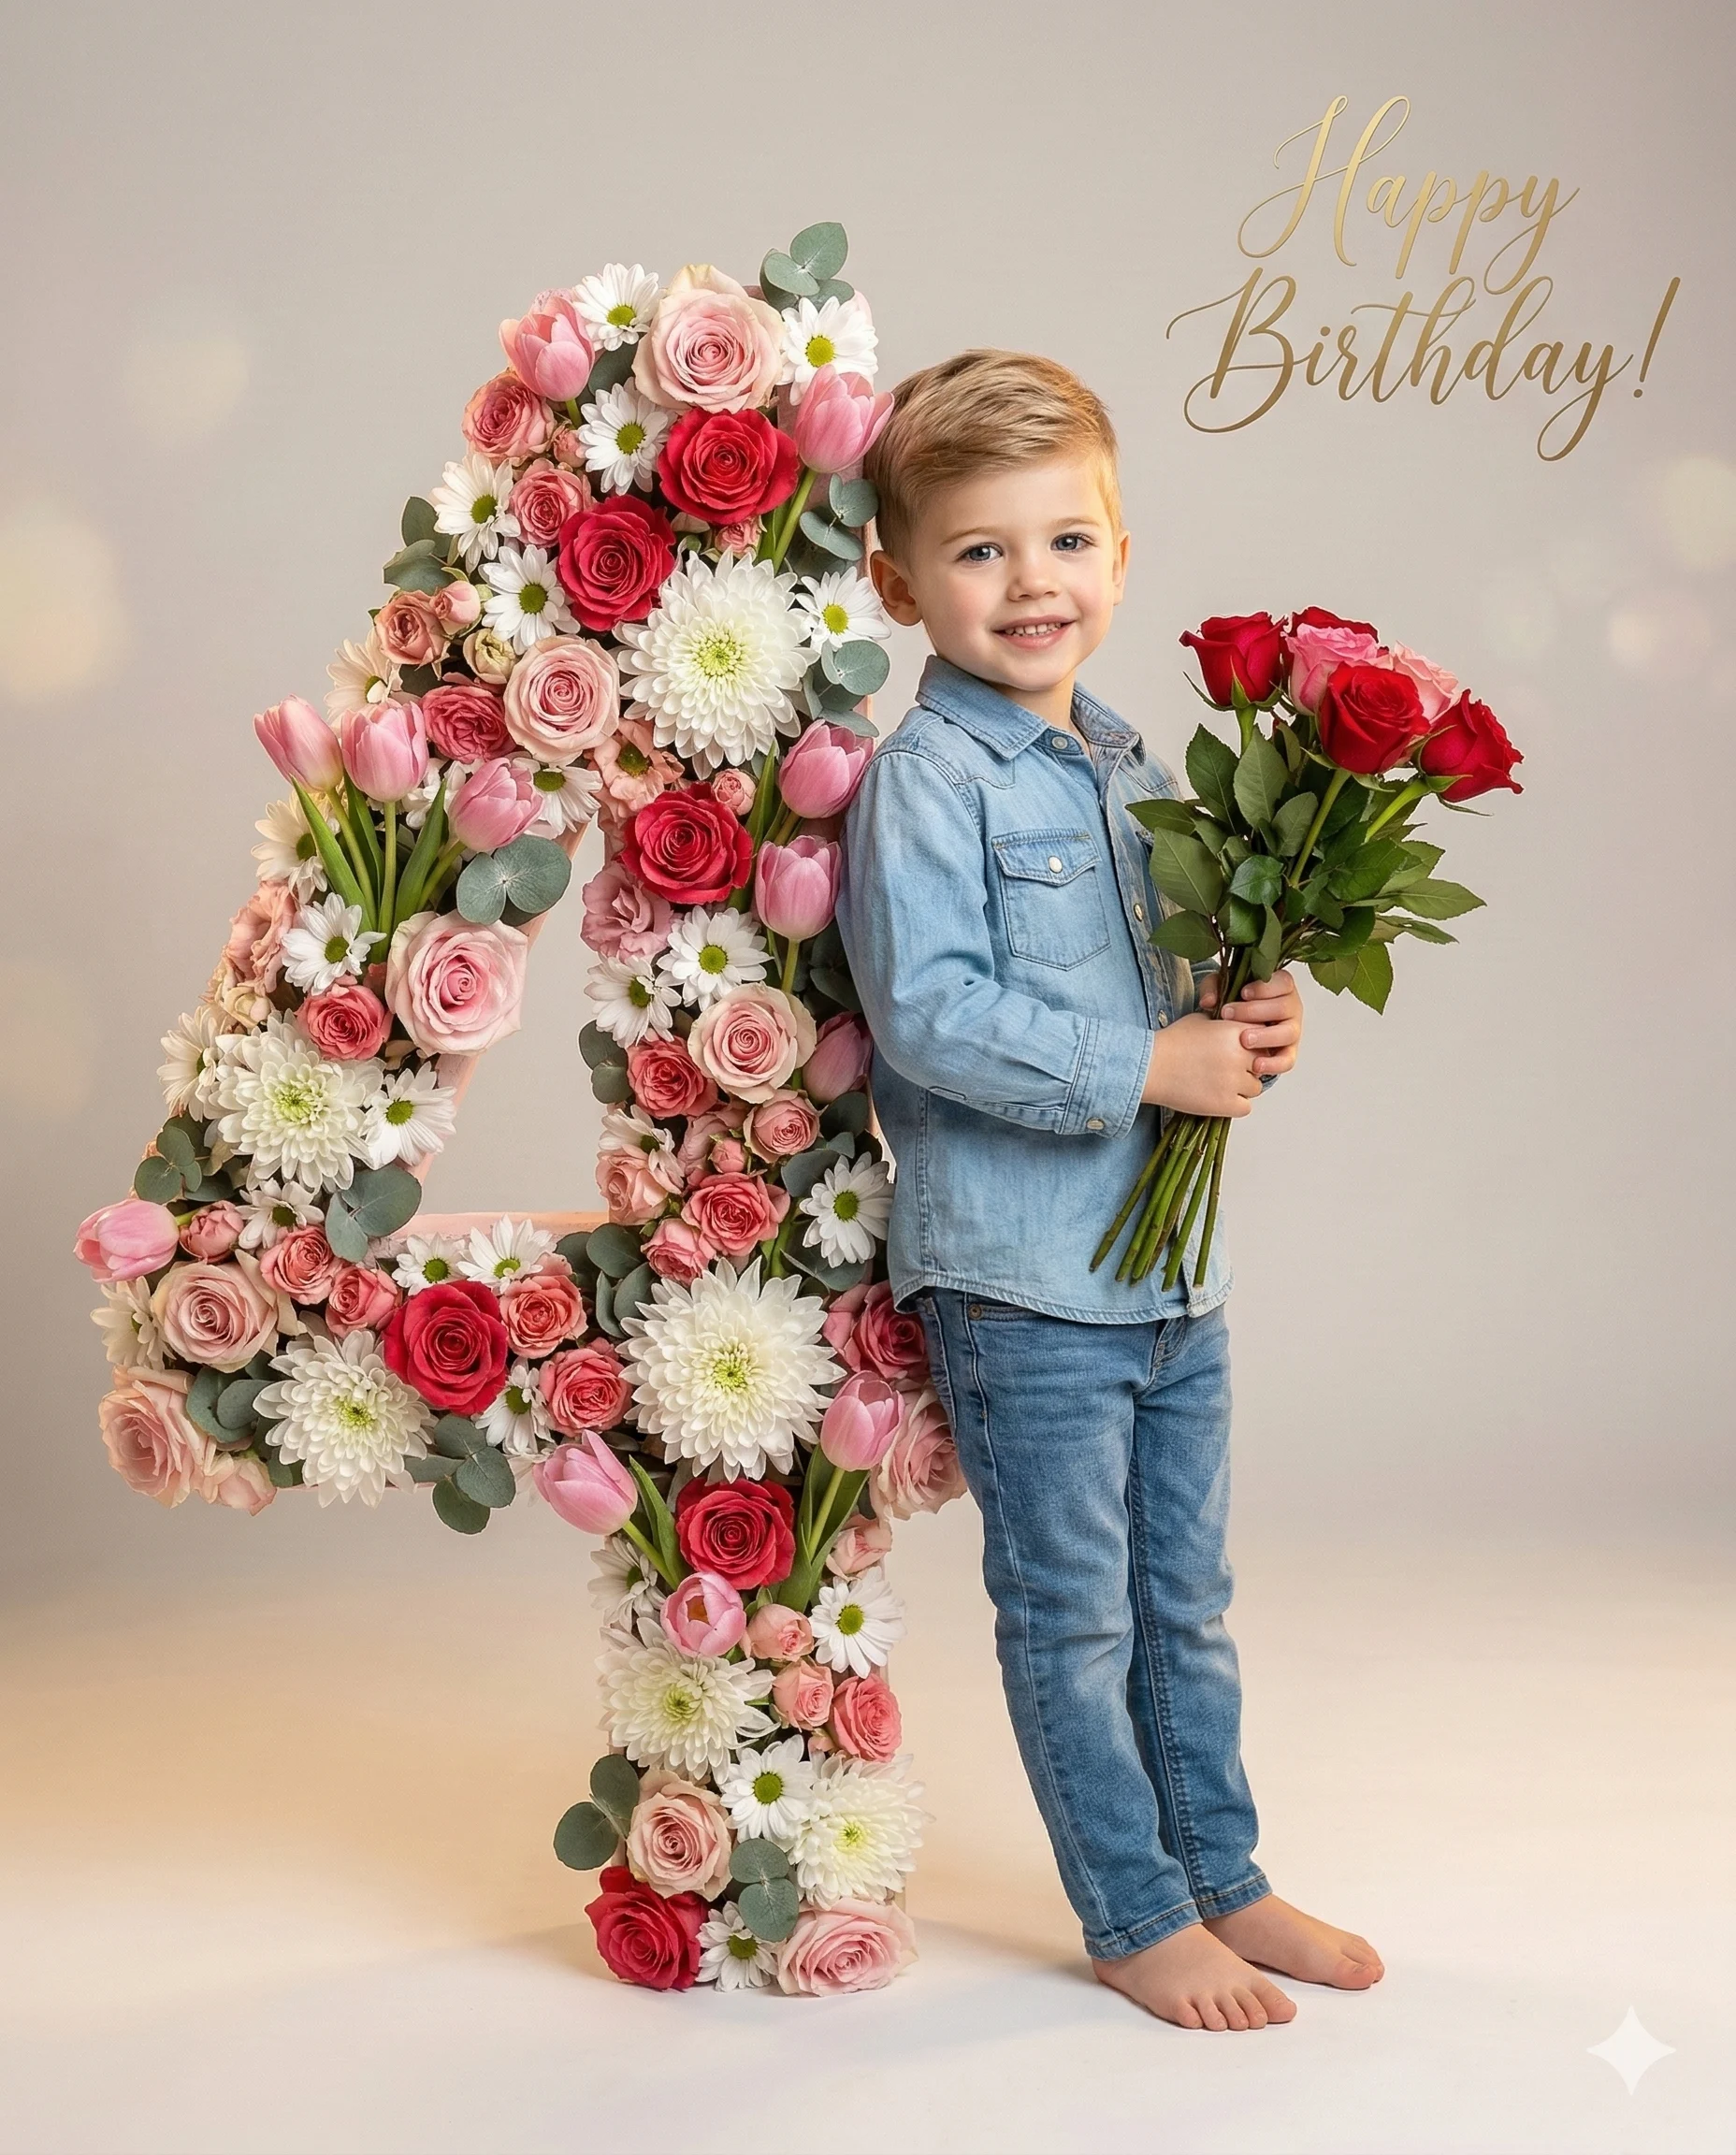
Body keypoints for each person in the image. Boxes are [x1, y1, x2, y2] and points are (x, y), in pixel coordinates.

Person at [834, 349, 1384, 2031]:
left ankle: (1223, 1872)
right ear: (899, 578)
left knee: (1184, 1605)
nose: (1032, 585)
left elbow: (1165, 988)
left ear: (1123, 555)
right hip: (1022, 1286)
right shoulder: (923, 783)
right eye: (982, 552)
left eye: (1067, 543)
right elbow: (926, 1015)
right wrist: (1150, 1072)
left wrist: (1246, 1015)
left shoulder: (1137, 769)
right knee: (1073, 1618)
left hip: (1166, 1276)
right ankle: (1136, 1911)